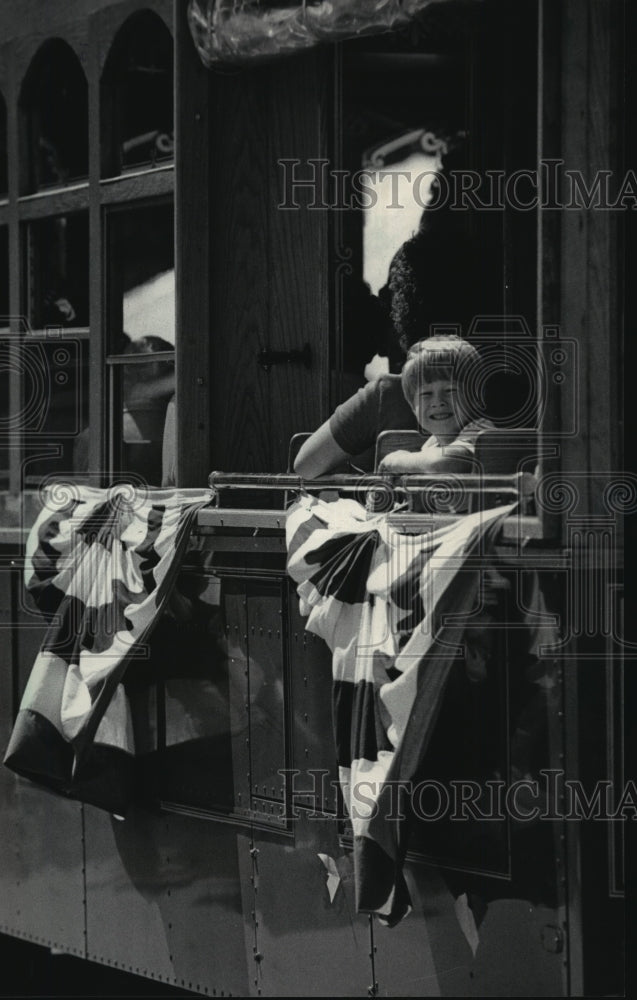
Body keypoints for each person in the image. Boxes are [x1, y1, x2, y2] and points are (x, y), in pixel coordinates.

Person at [378, 334, 494, 474]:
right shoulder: (432, 445)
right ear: (413, 407)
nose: (438, 402)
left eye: (450, 390)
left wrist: (397, 461)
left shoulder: (480, 431)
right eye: (426, 394)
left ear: (475, 398)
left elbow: (441, 463)